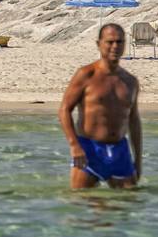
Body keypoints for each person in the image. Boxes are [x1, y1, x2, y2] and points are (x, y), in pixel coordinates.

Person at [59, 24, 141, 189]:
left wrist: (138, 160)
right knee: (81, 204)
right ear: (99, 44)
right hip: (89, 149)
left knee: (127, 207)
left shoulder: (130, 81)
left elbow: (133, 120)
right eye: (110, 42)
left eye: (119, 42)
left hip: (120, 151)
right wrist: (75, 146)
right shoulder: (86, 74)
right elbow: (64, 109)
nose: (115, 46)